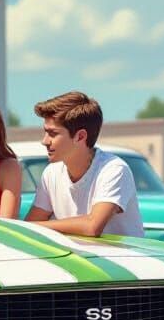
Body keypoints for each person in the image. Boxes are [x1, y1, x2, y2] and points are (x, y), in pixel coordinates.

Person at [25, 91, 144, 237]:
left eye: (53, 133)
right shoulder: (51, 173)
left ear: (80, 136)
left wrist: (35, 227)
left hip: (120, 253)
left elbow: (92, 227)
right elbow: (28, 228)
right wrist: (31, 227)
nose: (44, 141)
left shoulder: (114, 169)